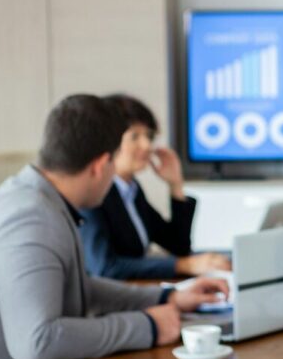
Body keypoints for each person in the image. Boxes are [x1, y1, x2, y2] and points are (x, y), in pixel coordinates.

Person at [0, 95, 229, 359]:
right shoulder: (29, 219)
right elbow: (38, 343)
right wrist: (147, 326)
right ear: (102, 165)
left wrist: (169, 297)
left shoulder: (44, 200)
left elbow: (78, 285)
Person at [79, 94, 230, 279]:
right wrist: (184, 265)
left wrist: (175, 184)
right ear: (109, 141)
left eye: (149, 136)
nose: (147, 145)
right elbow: (105, 267)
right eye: (135, 136)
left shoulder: (131, 190)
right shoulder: (93, 194)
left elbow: (178, 246)